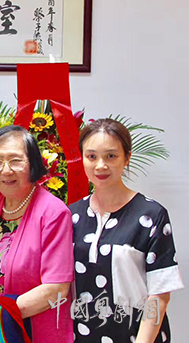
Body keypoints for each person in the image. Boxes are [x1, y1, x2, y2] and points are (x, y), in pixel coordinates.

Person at [70, 118, 184, 342]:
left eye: (111, 156)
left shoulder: (151, 215)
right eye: (91, 156)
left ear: (127, 158)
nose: (100, 165)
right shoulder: (71, 216)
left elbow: (159, 295)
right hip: (82, 335)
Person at [0, 125, 74, 343]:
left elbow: (57, 289)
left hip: (32, 332)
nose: (6, 170)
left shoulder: (54, 212)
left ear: (33, 164)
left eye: (15, 160)